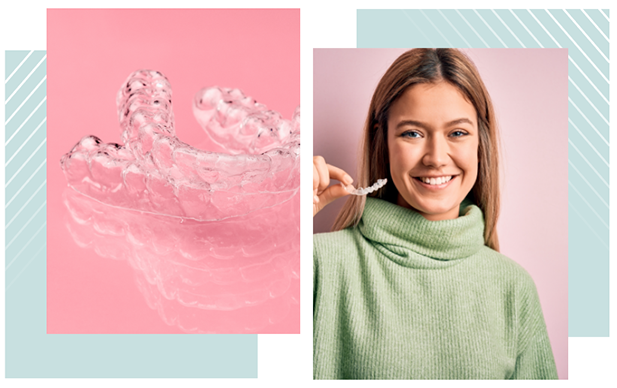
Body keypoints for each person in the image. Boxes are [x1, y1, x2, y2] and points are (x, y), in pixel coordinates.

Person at [313, 48, 558, 380]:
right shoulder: (317, 264)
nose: (436, 158)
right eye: (412, 133)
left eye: (457, 133)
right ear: (382, 140)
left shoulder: (513, 288)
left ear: (479, 143)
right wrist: (284, 227)